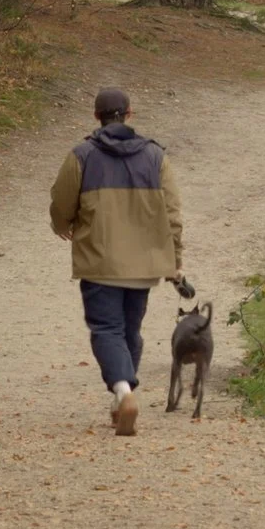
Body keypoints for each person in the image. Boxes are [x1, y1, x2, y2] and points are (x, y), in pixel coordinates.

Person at [49, 87, 183, 436]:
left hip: (100, 259)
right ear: (129, 114)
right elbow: (172, 214)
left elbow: (62, 201)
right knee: (130, 331)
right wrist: (175, 260)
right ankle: (122, 398)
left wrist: (61, 226)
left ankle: (123, 393)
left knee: (107, 329)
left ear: (96, 117)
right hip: (144, 265)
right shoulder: (156, 157)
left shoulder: (82, 156)